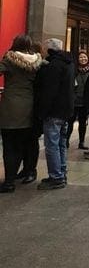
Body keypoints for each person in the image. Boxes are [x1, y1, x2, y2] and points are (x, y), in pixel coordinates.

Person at [0, 34, 43, 193]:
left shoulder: (9, 60)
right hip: (29, 108)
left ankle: (9, 181)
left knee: (9, 146)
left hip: (10, 108)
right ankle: (26, 171)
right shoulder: (38, 62)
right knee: (22, 145)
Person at [35, 38, 75, 190]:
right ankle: (61, 173)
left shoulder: (54, 66)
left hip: (54, 110)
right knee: (61, 143)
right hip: (66, 110)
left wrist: (42, 111)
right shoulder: (68, 63)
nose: (43, 51)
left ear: (50, 50)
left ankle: (56, 177)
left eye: (45, 48)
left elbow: (49, 92)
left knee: (52, 144)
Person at [66, 50, 89, 150]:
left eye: (84, 57)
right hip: (74, 101)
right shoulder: (73, 70)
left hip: (85, 101)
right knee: (70, 122)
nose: (83, 59)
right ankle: (66, 141)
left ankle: (81, 142)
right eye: (81, 57)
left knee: (82, 123)